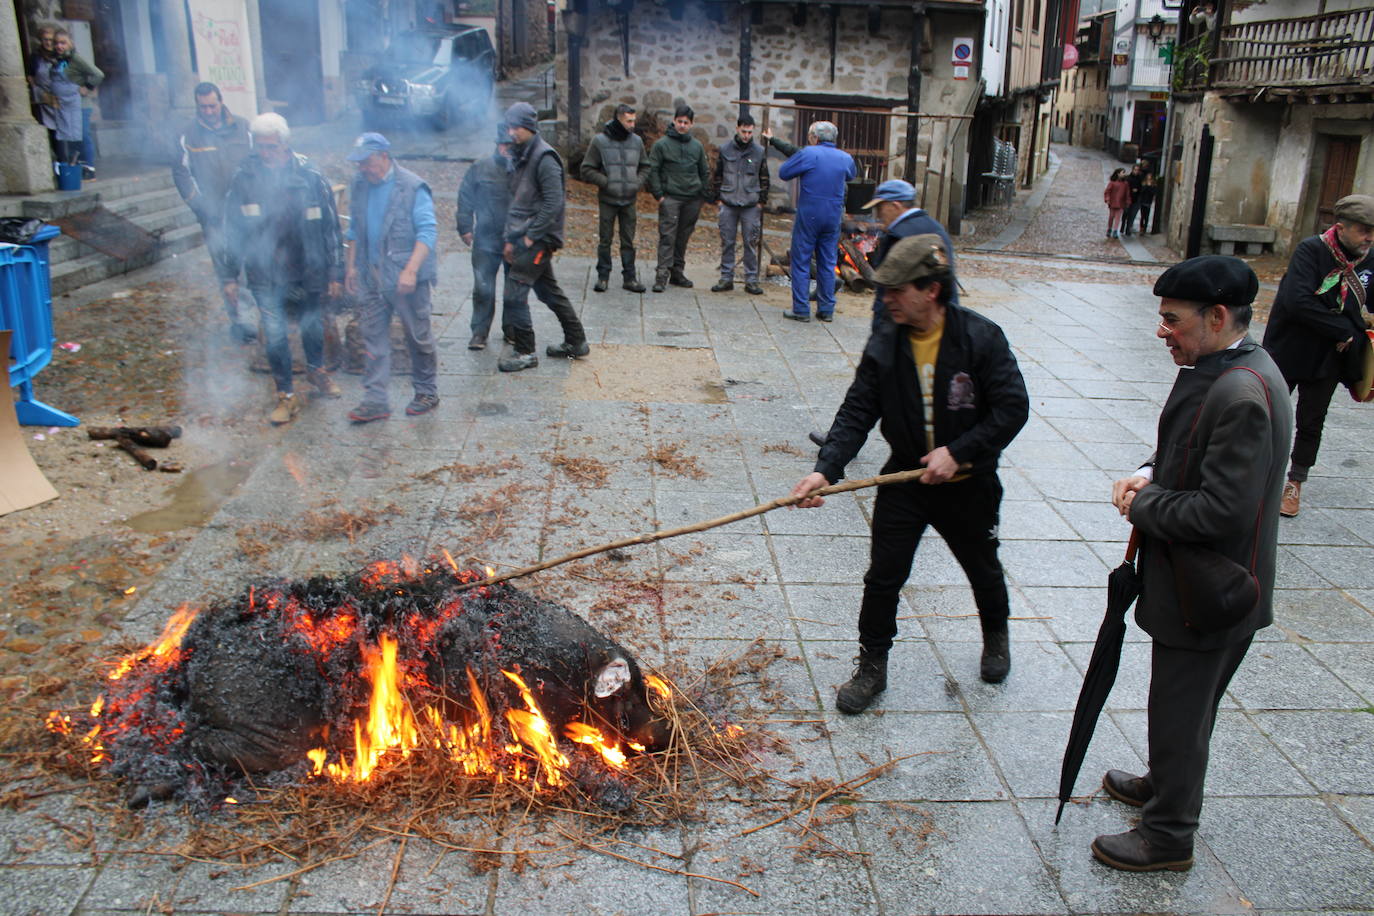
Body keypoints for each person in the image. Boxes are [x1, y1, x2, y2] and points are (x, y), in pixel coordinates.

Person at [1101, 256, 1291, 873]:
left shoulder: (1239, 389)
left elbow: (1221, 512)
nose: (1163, 332)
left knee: (1180, 710)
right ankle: (1165, 783)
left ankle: (1168, 836)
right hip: (1214, 585)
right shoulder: (1232, 367)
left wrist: (1144, 504)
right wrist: (1151, 472)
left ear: (1216, 316)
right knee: (1187, 707)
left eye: (1172, 320)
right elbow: (1188, 450)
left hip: (1207, 591)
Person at [790, 235, 1029, 710]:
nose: (887, 300)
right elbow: (858, 409)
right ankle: (872, 665)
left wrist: (959, 452)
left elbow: (1012, 408)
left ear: (931, 290)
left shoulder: (980, 338)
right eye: (885, 291)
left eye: (897, 290)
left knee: (983, 567)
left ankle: (996, 635)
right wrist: (826, 470)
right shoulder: (886, 342)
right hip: (905, 482)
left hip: (969, 486)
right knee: (883, 576)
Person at [805, 179, 961, 449]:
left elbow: (888, 286)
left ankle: (840, 442)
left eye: (881, 209)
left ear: (896, 205)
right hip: (935, 319)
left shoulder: (901, 234)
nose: (878, 217)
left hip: (901, 321)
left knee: (868, 390)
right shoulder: (934, 228)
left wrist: (881, 324)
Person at [221, 114, 344, 426]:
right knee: (275, 334)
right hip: (265, 273)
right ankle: (285, 395)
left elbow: (330, 228)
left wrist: (335, 272)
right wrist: (229, 276)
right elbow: (231, 231)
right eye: (260, 146)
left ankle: (317, 373)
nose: (266, 153)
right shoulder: (244, 178)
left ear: (285, 144)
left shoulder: (311, 175)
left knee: (312, 326)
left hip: (309, 268)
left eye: (272, 147)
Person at [1261, 194, 1374, 517]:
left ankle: (1295, 482)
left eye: (1373, 231)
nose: (1369, 238)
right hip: (1290, 348)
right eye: (1364, 230)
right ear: (1341, 228)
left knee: (1312, 420)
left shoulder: (1371, 258)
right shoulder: (1311, 250)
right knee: (1269, 414)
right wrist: (1343, 330)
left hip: (1329, 357)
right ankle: (1256, 473)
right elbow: (1297, 301)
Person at [343, 133, 440, 422]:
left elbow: (427, 232)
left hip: (406, 277)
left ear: (383, 156)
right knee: (373, 338)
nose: (362, 168)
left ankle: (426, 391)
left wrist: (410, 270)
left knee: (417, 335)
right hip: (372, 276)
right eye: (358, 163)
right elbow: (354, 231)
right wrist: (350, 267)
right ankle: (376, 399)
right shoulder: (359, 185)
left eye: (366, 161)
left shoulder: (412, 187)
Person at [497, 102, 588, 372]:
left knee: (515, 292)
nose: (511, 132)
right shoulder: (522, 153)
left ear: (529, 127)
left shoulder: (545, 157)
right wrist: (508, 238)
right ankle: (576, 342)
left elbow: (553, 203)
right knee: (548, 291)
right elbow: (516, 201)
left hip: (538, 238)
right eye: (509, 126)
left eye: (515, 127)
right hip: (523, 234)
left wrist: (529, 238)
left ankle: (525, 351)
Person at [172, 82, 255, 344]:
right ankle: (240, 322)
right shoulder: (188, 134)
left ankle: (259, 318)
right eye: (202, 106)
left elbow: (256, 164)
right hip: (214, 215)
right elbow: (181, 172)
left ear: (221, 102)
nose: (208, 111)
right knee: (226, 271)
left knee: (253, 265)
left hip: (247, 212)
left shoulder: (243, 127)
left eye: (212, 105)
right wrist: (199, 205)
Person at [776, 121, 857, 322]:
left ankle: (801, 309)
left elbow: (784, 172)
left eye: (810, 136)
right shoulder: (845, 158)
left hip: (809, 215)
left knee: (801, 260)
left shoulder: (809, 153)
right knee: (828, 262)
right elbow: (851, 175)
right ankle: (826, 309)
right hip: (833, 216)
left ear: (815, 137)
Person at [580, 103, 648, 293]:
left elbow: (645, 166)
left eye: (634, 120)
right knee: (605, 240)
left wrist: (636, 182)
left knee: (628, 241)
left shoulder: (637, 142)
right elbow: (586, 169)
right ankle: (603, 276)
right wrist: (607, 182)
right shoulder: (600, 141)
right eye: (629, 121)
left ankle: (630, 277)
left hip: (629, 199)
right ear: (619, 119)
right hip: (608, 199)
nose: (633, 124)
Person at [457, 125, 513, 351]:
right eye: (503, 144)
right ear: (497, 145)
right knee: (482, 287)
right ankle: (479, 331)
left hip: (514, 239)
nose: (506, 149)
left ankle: (512, 329)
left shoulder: (523, 170)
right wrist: (464, 227)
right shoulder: (479, 168)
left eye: (510, 145)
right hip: (485, 237)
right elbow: (465, 197)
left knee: (514, 288)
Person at [646, 105, 709, 293]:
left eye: (686, 122)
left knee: (683, 237)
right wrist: (659, 195)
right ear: (674, 121)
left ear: (691, 124)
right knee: (667, 236)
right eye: (679, 121)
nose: (682, 125)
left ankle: (677, 272)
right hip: (671, 197)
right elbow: (652, 170)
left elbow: (704, 171)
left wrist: (702, 195)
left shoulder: (696, 146)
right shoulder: (661, 145)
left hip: (692, 199)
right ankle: (662, 273)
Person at [708, 113, 769, 295]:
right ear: (737, 128)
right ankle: (726, 277)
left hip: (750, 203)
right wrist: (718, 198)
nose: (746, 136)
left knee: (750, 242)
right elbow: (717, 174)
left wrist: (761, 201)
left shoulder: (759, 152)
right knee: (727, 241)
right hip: (728, 201)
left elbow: (764, 177)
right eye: (744, 131)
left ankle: (751, 280)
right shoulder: (725, 149)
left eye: (750, 132)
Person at [51, 30, 102, 179]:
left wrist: (87, 86)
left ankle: (89, 168)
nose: (59, 46)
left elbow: (98, 74)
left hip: (81, 105)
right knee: (73, 138)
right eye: (56, 43)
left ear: (70, 44)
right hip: (66, 106)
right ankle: (78, 167)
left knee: (83, 136)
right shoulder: (59, 61)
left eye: (63, 43)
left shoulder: (76, 59)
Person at [31, 28, 83, 172]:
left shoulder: (67, 56)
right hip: (46, 99)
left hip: (66, 99)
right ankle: (60, 165)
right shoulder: (36, 58)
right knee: (54, 133)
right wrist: (39, 93)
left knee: (70, 131)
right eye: (45, 40)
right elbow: (31, 77)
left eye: (51, 40)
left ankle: (72, 165)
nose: (48, 43)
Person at [1104, 168, 1130, 239]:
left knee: (1118, 217)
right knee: (1111, 216)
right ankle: (1109, 229)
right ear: (1118, 174)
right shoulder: (1112, 183)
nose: (1124, 174)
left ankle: (1115, 230)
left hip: (1121, 203)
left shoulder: (1125, 184)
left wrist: (1128, 201)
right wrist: (1107, 199)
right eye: (1122, 173)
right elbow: (1107, 191)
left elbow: (1127, 193)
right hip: (1112, 202)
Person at [1121, 163, 1144, 237]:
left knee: (1132, 216)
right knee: (1125, 214)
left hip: (1136, 200)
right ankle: (1122, 226)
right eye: (1135, 170)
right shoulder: (1128, 178)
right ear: (1132, 170)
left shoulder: (1140, 179)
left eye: (1137, 170)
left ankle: (1128, 230)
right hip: (1128, 199)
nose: (1136, 171)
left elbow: (1142, 189)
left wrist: (1138, 191)